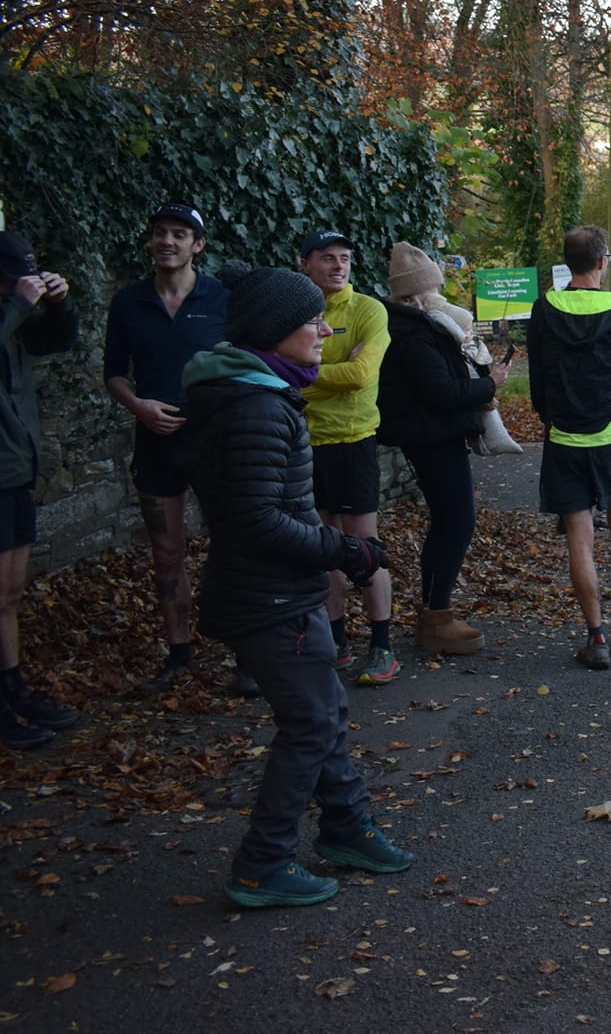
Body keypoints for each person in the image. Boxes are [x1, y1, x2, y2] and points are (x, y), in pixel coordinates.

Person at [185, 261, 412, 905]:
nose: (323, 329)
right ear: (274, 330)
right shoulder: (257, 405)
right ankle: (263, 863)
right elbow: (258, 520)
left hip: (287, 589)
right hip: (268, 596)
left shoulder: (265, 391)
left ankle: (344, 827)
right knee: (311, 723)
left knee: (326, 712)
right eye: (310, 319)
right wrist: (347, 551)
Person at [102, 202, 228, 692]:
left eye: (180, 234)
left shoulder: (222, 298)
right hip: (155, 441)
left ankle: (243, 646)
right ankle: (180, 653)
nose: (168, 241)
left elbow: (244, 361)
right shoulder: (129, 302)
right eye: (160, 232)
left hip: (214, 440)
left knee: (233, 543)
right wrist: (139, 406)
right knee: (167, 551)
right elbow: (113, 372)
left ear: (198, 245)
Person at [528, 226, 611, 668]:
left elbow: (538, 380)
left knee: (578, 535)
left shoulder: (545, 307)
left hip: (562, 435)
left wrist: (553, 417)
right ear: (603, 262)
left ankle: (595, 636)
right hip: (610, 434)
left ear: (568, 262)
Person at [376, 242, 506, 656]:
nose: (442, 295)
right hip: (432, 437)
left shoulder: (413, 327)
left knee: (449, 522)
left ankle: (436, 612)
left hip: (431, 434)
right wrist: (489, 385)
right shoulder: (416, 333)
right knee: (455, 522)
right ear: (422, 292)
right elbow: (442, 392)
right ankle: (436, 616)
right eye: (436, 288)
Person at [298, 230, 397, 686]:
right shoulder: (298, 309)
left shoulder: (368, 310)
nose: (338, 266)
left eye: (344, 259)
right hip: (307, 442)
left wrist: (305, 374)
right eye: (326, 259)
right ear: (306, 265)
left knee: (365, 547)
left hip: (354, 440)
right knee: (322, 546)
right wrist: (311, 375)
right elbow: (281, 371)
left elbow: (360, 374)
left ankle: (382, 646)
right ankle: (337, 641)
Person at [0, 232, 80, 750]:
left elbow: (56, 341)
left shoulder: (13, 319)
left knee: (8, 595)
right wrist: (17, 306)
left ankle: (13, 691)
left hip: (15, 470)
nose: (19, 285)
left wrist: (59, 304)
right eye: (10, 278)